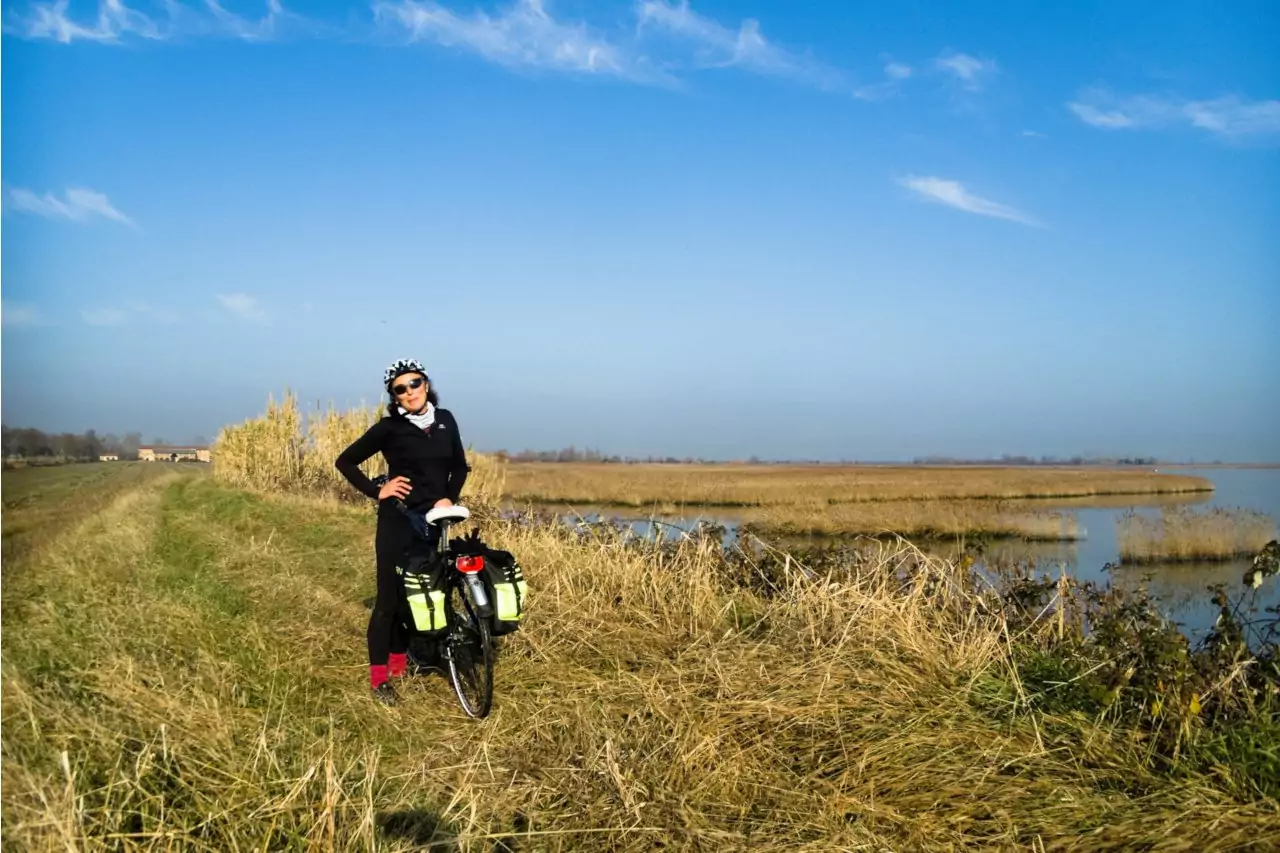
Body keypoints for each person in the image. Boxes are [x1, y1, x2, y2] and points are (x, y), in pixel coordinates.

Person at [335, 358, 469, 706]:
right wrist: (376, 489)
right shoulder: (389, 428)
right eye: (401, 388)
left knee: (423, 593)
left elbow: (458, 467)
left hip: (436, 520)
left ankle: (405, 661)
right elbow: (345, 461)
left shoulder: (446, 420)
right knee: (389, 601)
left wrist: (447, 499)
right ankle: (381, 678)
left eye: (415, 383)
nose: (410, 392)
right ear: (394, 397)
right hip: (398, 520)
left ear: (426, 385)